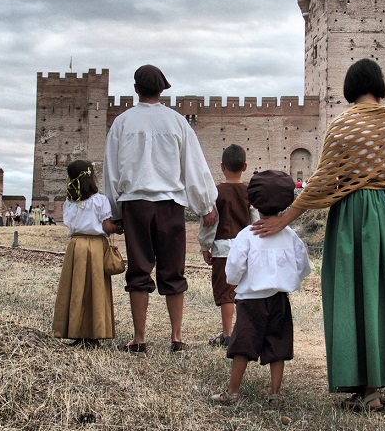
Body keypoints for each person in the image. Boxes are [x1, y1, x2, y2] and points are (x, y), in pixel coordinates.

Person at [252, 58, 385, 411]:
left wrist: (285, 219)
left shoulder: (344, 126)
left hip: (358, 214)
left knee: (362, 293)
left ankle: (370, 391)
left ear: (350, 88)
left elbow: (323, 181)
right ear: (380, 84)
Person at [103, 64, 217, 354]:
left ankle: (139, 338)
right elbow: (193, 165)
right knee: (173, 269)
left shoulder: (122, 122)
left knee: (139, 269)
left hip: (135, 204)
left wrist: (116, 213)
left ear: (136, 89)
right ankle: (176, 337)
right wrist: (205, 205)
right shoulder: (177, 122)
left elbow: (112, 172)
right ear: (163, 90)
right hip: (170, 206)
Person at [211, 170, 311, 405]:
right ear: (287, 201)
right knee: (278, 344)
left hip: (250, 300)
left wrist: (236, 282)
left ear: (253, 201)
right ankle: (275, 394)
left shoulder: (247, 235)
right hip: (279, 299)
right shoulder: (291, 235)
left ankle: (233, 392)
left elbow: (234, 268)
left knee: (243, 344)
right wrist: (289, 278)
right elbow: (303, 265)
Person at [53, 160, 120, 348]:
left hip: (75, 245)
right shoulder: (100, 200)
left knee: (76, 289)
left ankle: (76, 331)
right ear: (91, 177)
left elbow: (69, 223)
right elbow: (106, 226)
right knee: (95, 289)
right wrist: (117, 228)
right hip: (96, 246)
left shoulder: (69, 202)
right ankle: (94, 334)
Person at [198, 144, 257, 347]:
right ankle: (244, 331)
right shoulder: (250, 192)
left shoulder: (216, 192)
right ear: (245, 166)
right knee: (243, 290)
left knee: (226, 292)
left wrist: (205, 246)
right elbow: (255, 220)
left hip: (222, 249)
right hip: (245, 249)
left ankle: (227, 334)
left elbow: (209, 222)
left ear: (222, 167)